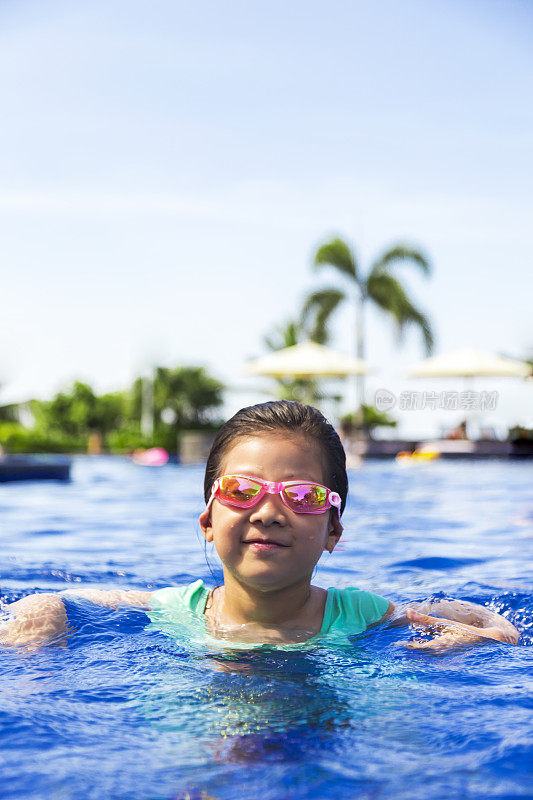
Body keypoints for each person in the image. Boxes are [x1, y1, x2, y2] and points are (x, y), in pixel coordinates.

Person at [0, 401, 519, 650]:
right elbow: (69, 600)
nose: (268, 512)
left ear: (333, 531)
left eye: (302, 496)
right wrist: (41, 615)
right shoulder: (175, 610)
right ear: (208, 519)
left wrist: (485, 637)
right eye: (241, 491)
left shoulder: (356, 615)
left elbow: (479, 620)